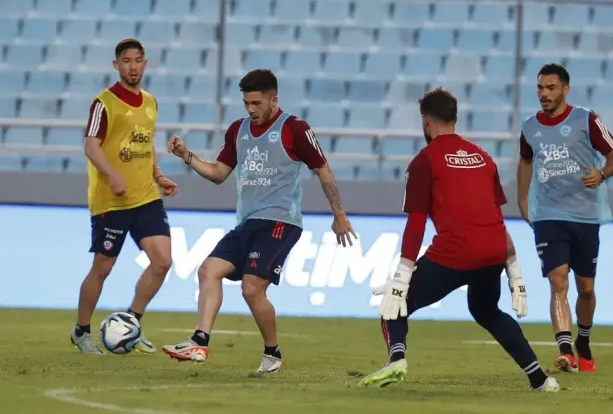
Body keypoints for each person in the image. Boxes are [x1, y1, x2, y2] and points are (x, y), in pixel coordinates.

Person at [358, 88, 559, 392]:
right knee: (487, 311)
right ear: (454, 117)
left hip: (455, 253)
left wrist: (401, 276)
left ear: (425, 120)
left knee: (394, 306)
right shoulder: (483, 158)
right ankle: (540, 379)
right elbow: (495, 218)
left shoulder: (424, 160)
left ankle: (396, 359)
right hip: (493, 253)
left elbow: (416, 225)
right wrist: (514, 270)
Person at [162, 68, 357, 373]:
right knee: (208, 270)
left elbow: (323, 170)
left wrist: (339, 214)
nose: (251, 110)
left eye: (257, 103)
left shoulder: (295, 128)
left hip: (280, 221)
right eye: (246, 104)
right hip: (247, 223)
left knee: (252, 289)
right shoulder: (237, 130)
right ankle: (199, 342)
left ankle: (272, 353)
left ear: (273, 99)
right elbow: (218, 174)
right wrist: (187, 156)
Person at [71, 38, 178, 354]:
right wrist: (113, 174)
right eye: (126, 61)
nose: (133, 66)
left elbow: (145, 144)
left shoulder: (150, 102)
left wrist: (158, 175)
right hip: (111, 200)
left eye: (138, 60)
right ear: (116, 65)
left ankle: (131, 322)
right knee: (102, 269)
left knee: (162, 261)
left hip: (146, 196)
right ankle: (81, 331)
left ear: (145, 63)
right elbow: (91, 145)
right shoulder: (104, 103)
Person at [517, 63, 613, 373]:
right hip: (548, 214)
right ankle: (565, 349)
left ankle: (584, 339)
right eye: (540, 88)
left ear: (565, 89)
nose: (544, 94)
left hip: (585, 217)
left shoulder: (586, 120)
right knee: (557, 281)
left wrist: (602, 174)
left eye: (550, 88)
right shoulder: (529, 127)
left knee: (586, 288)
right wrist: (524, 199)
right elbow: (525, 161)